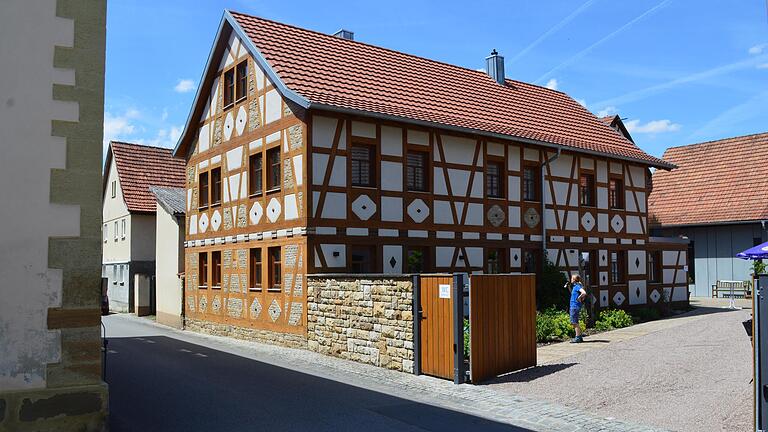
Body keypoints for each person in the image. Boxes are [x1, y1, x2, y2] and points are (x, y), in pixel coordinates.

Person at [569, 274, 587, 343]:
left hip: (575, 306)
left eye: (572, 278)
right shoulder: (575, 287)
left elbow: (584, 293)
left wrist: (579, 298)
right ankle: (579, 337)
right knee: (575, 322)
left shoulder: (577, 286)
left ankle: (578, 338)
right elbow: (573, 294)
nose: (570, 279)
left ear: (574, 280)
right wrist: (569, 287)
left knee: (574, 322)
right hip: (574, 306)